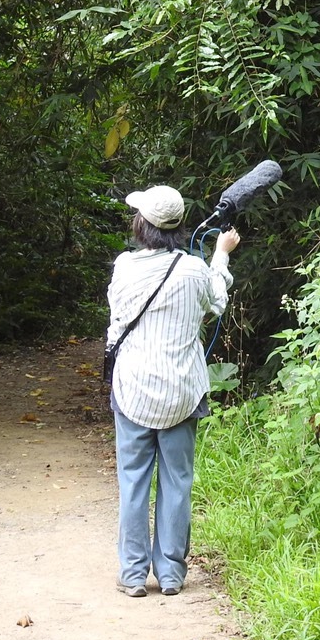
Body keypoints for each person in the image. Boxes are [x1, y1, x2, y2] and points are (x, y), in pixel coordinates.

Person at [107, 184, 239, 597]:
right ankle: (170, 574)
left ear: (142, 225)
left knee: (133, 481)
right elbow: (216, 302)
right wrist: (222, 252)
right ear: (179, 227)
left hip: (133, 389)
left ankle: (132, 575)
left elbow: (117, 314)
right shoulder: (193, 269)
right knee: (177, 481)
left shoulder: (124, 267)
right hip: (182, 391)